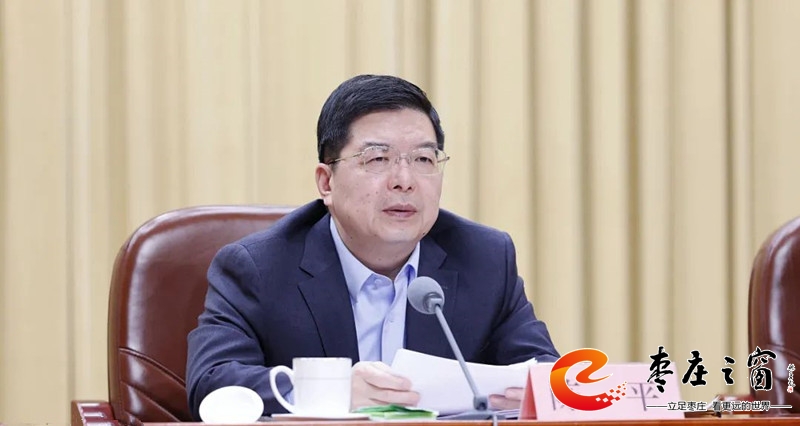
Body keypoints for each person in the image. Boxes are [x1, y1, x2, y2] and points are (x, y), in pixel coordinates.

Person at [186, 74, 559, 419]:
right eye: (378, 159)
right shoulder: (258, 267)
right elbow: (211, 384)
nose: (404, 180)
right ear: (326, 183)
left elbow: (544, 371)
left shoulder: (485, 258)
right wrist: (333, 391)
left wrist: (533, 394)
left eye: (423, 159)